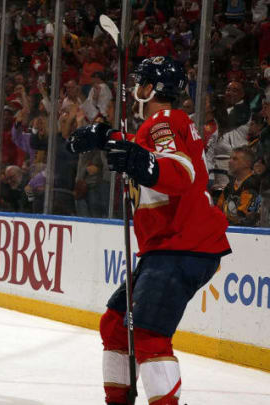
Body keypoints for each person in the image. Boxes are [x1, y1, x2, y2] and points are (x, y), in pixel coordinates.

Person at [67, 56, 232, 405]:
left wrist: (141, 162)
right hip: (171, 246)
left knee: (147, 334)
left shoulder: (163, 122)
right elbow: (151, 149)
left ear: (152, 89)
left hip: (182, 245)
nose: (132, 87)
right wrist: (108, 136)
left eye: (139, 81)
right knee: (115, 326)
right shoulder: (163, 124)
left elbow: (179, 169)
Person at [216, 146, 261, 226]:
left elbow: (243, 218)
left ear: (247, 163)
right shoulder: (231, 184)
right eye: (230, 158)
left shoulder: (252, 184)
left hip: (245, 234)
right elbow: (218, 208)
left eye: (235, 159)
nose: (229, 161)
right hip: (228, 228)